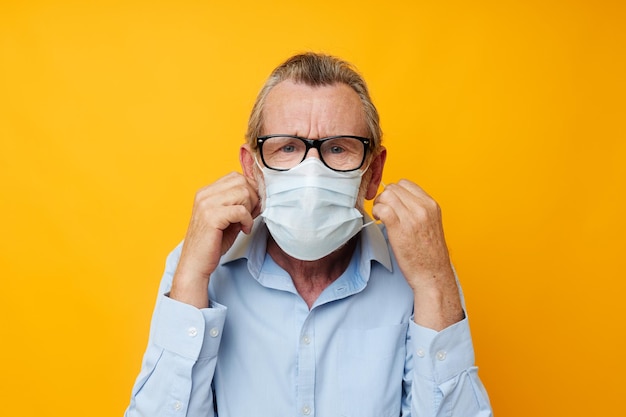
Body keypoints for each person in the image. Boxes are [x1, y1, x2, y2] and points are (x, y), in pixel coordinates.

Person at [125, 52, 492, 417]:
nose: (311, 171)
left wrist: (433, 282)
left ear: (373, 172)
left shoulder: (420, 271)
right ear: (252, 170)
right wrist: (190, 278)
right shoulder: (200, 268)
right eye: (287, 147)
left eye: (338, 148)